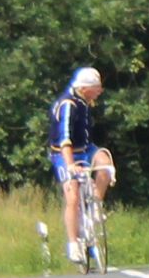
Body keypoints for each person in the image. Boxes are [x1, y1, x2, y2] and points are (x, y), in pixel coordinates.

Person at [50, 67, 118, 267]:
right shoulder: (68, 105)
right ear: (85, 88)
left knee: (105, 164)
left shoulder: (85, 101)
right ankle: (73, 243)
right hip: (64, 153)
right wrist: (71, 165)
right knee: (72, 197)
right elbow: (64, 139)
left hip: (86, 149)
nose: (100, 91)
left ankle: (95, 204)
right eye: (97, 87)